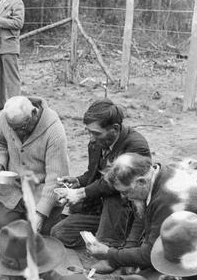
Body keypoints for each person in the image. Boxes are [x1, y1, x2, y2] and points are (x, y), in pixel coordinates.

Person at [85, 153, 197, 273]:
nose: (124, 197)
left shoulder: (167, 199)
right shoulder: (155, 175)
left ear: (141, 182)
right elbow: (141, 217)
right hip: (184, 242)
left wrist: (109, 254)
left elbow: (149, 255)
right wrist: (122, 256)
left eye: (125, 192)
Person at [51, 99, 151, 248]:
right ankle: (107, 233)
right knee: (59, 233)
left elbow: (113, 183)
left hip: (124, 206)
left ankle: (121, 238)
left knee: (115, 198)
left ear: (115, 129)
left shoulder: (136, 146)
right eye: (89, 132)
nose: (91, 138)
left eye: (96, 133)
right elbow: (94, 174)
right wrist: (79, 181)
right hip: (99, 205)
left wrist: (80, 193)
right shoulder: (97, 142)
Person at [0, 96, 69, 233]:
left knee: (47, 229)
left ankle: (37, 214)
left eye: (22, 127)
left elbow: (56, 178)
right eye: (13, 128)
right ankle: (22, 212)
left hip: (41, 190)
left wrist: (40, 215)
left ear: (34, 113)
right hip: (14, 189)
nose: (18, 132)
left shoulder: (54, 130)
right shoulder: (4, 118)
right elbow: (0, 145)